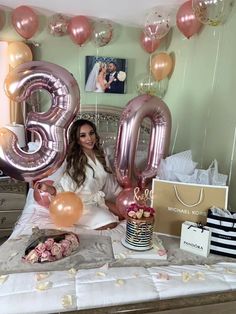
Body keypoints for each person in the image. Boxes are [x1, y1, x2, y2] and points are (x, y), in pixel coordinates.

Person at [38, 119, 123, 230]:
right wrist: (50, 189)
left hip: (96, 199)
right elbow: (65, 188)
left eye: (91, 133)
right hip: (79, 205)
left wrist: (122, 194)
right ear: (77, 140)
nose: (89, 138)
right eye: (83, 135)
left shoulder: (101, 154)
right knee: (110, 222)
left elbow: (110, 181)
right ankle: (84, 221)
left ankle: (101, 212)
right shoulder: (73, 160)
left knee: (124, 215)